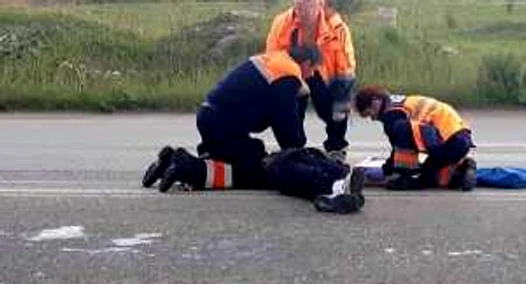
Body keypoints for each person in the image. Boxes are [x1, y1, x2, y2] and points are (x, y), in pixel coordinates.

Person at [141, 47, 319, 193]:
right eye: (313, 71)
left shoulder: (274, 60)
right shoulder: (287, 75)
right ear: (306, 63)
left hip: (211, 116)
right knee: (252, 173)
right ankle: (188, 169)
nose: (311, 77)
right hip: (225, 125)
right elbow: (289, 137)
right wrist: (302, 99)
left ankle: (168, 161)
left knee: (237, 158)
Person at [142, 146, 366, 214]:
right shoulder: (322, 163)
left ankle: (176, 161)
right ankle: (337, 187)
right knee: (294, 177)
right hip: (276, 163)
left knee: (231, 175)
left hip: (268, 159)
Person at [266, 0, 356, 162]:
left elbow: (346, 65)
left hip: (326, 75)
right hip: (292, 70)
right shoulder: (281, 23)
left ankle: (336, 147)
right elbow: (272, 58)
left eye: (309, 2)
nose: (303, 7)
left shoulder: (336, 26)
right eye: (299, 3)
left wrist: (342, 98)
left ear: (320, 3)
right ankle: (293, 148)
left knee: (336, 108)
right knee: (289, 105)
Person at [353, 85, 478, 191]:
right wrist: (387, 169)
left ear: (375, 102)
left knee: (422, 179)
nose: (373, 119)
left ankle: (405, 177)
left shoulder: (392, 115)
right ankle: (463, 169)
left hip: (449, 140)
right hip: (459, 137)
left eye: (370, 114)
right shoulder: (399, 103)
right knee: (433, 174)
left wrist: (392, 173)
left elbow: (400, 149)